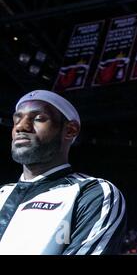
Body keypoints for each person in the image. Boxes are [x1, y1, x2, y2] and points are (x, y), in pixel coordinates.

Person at [0, 90, 126, 254]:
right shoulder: (2, 192)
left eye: (38, 118)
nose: (21, 127)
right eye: (17, 119)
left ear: (70, 130)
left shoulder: (92, 193)